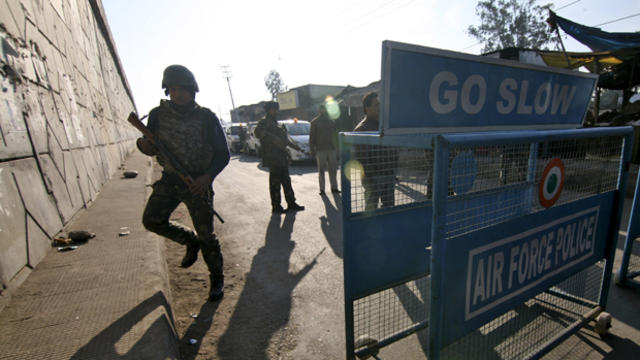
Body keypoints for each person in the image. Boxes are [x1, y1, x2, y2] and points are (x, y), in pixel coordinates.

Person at [136, 65, 230, 302]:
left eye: (183, 90)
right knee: (151, 220)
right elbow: (148, 143)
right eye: (173, 89)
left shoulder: (206, 117)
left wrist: (207, 177)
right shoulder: (157, 114)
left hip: (197, 183)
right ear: (167, 90)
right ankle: (189, 240)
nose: (178, 94)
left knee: (207, 235)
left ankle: (216, 278)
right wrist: (144, 146)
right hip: (170, 179)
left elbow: (223, 154)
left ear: (193, 91)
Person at [254, 101, 305, 213]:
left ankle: (291, 203)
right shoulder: (264, 122)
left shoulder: (278, 123)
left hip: (282, 157)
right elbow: (257, 133)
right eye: (273, 109)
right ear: (268, 110)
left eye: (276, 109)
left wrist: (297, 147)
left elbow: (285, 139)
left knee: (286, 181)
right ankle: (276, 206)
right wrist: (272, 138)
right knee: (275, 184)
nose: (275, 111)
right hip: (272, 157)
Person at [353, 92, 398, 210]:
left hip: (388, 174)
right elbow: (361, 159)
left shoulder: (383, 126)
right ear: (367, 108)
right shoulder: (362, 129)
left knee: (389, 208)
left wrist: (393, 169)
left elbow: (392, 148)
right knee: (371, 209)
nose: (379, 107)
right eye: (376, 105)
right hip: (374, 177)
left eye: (380, 104)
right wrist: (371, 177)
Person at [309, 103, 340, 195]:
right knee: (321, 170)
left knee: (333, 170)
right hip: (320, 149)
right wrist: (312, 149)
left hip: (332, 149)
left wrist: (337, 148)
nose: (324, 111)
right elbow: (312, 137)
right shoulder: (315, 122)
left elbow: (335, 135)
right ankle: (322, 189)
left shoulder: (331, 121)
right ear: (320, 110)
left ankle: (334, 187)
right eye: (322, 109)